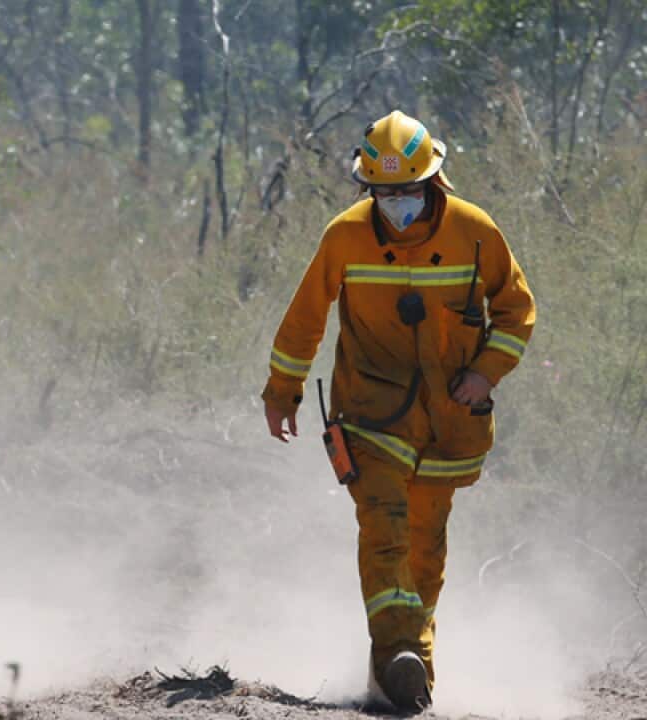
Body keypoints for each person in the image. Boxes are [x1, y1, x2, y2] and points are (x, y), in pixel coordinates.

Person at [261, 110, 535, 711]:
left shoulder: (476, 233)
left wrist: (483, 372)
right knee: (382, 529)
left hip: (449, 427)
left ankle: (407, 681)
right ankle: (397, 656)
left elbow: (517, 311)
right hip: (370, 415)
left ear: (433, 182)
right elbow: (305, 319)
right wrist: (283, 391)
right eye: (383, 193)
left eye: (407, 191)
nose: (396, 204)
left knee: (424, 552)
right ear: (368, 188)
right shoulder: (345, 236)